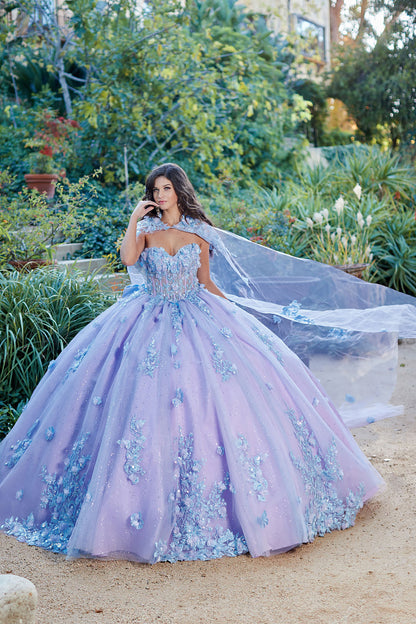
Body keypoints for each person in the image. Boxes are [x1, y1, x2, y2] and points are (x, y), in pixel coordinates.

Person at [0, 164, 386, 563]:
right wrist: (135, 217)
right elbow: (128, 258)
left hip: (197, 318)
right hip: (145, 322)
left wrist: (235, 312)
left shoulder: (199, 233)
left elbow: (205, 282)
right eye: (155, 188)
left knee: (212, 403)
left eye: (166, 188)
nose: (160, 194)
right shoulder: (145, 232)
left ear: (180, 192)